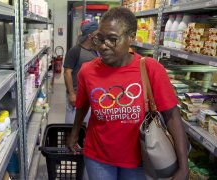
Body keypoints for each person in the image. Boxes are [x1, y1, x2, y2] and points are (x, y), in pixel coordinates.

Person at [67, 7, 189, 180]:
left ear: (131, 37)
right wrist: (74, 133)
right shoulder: (87, 71)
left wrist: (183, 166)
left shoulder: (150, 68)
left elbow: (172, 117)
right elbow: (82, 105)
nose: (103, 45)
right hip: (98, 157)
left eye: (112, 39)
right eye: (100, 38)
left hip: (139, 160)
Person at [63, 21, 99, 124]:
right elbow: (67, 73)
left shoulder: (95, 51)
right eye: (97, 34)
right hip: (76, 95)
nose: (99, 37)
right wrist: (71, 94)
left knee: (86, 126)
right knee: (72, 125)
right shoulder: (75, 51)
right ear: (90, 35)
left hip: (89, 96)